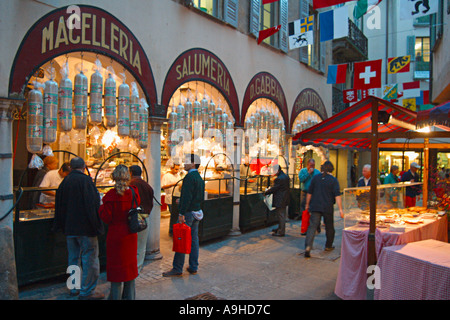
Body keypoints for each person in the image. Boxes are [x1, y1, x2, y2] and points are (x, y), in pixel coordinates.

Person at [53, 157, 104, 300]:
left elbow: (59, 206)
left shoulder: (65, 182)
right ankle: (87, 291)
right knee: (89, 259)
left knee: (73, 258)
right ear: (84, 167)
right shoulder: (86, 181)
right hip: (85, 228)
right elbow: (92, 204)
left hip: (70, 228)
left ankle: (74, 288)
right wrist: (96, 224)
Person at [99, 165, 139, 300]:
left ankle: (115, 297)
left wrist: (100, 208)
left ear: (114, 177)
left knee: (116, 271)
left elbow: (106, 217)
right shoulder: (134, 192)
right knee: (129, 270)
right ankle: (130, 297)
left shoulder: (110, 195)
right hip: (130, 234)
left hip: (115, 235)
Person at [163, 153, 205, 277]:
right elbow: (196, 196)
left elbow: (187, 197)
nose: (184, 164)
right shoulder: (199, 178)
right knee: (194, 240)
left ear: (193, 163)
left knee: (181, 239)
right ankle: (193, 266)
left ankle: (177, 268)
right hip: (197, 211)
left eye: (187, 162)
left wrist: (181, 212)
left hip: (188, 213)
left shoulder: (189, 178)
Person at [304, 160, 343, 258]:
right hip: (327, 207)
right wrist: (341, 209)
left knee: (312, 227)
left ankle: (308, 246)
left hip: (315, 205)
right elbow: (337, 195)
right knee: (329, 227)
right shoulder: (333, 180)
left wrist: (307, 204)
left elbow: (309, 192)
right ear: (331, 169)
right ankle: (328, 246)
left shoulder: (316, 178)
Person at [129, 165, 154, 272]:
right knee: (141, 245)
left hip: (132, 218)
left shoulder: (131, 185)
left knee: (131, 245)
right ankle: (137, 268)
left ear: (130, 173)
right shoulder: (147, 186)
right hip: (144, 216)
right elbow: (151, 203)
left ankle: (131, 267)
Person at [264, 165, 290, 237]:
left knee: (281, 215)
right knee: (282, 215)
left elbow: (275, 188)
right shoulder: (285, 176)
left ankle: (281, 231)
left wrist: (266, 192)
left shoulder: (279, 179)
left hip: (280, 199)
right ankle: (280, 228)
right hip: (285, 198)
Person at [161, 160, 181, 236]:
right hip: (170, 198)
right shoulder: (166, 176)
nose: (177, 171)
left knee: (176, 215)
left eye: (178, 169)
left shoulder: (177, 175)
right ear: (172, 168)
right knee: (173, 215)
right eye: (176, 169)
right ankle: (172, 231)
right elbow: (163, 186)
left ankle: (175, 230)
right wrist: (173, 184)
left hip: (177, 196)